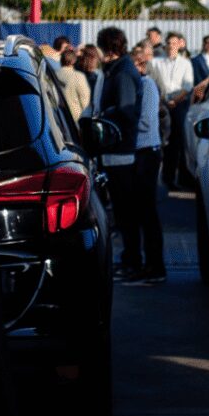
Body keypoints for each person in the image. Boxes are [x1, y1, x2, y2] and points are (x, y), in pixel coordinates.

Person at [94, 27, 143, 282]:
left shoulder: (123, 73)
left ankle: (132, 260)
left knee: (126, 213)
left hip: (121, 151)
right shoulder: (118, 70)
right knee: (124, 212)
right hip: (116, 151)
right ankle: (130, 259)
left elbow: (126, 110)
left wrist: (105, 114)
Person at [118, 44, 166, 285]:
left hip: (146, 152)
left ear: (140, 66)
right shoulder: (137, 86)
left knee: (147, 212)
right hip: (137, 152)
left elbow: (146, 122)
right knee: (137, 211)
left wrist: (123, 124)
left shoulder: (146, 86)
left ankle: (155, 266)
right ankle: (139, 263)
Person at [149, 31, 194, 189]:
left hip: (179, 104)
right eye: (169, 43)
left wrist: (176, 100)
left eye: (174, 44)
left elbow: (188, 86)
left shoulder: (185, 63)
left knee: (179, 141)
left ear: (179, 45)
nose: (171, 46)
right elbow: (152, 83)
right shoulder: (156, 62)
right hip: (162, 103)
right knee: (165, 141)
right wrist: (163, 100)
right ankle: (165, 178)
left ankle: (180, 177)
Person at [58, 48, 91, 121]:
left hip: (57, 118)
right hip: (75, 120)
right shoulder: (78, 76)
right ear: (74, 61)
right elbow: (85, 101)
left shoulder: (52, 75)